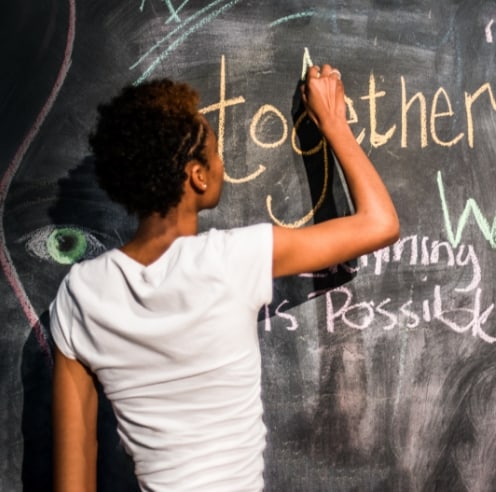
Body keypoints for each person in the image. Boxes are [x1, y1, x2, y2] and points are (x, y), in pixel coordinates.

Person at [50, 63, 399, 492]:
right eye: (215, 152)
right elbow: (379, 223)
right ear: (197, 176)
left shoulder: (80, 296)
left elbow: (74, 471)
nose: (222, 161)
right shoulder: (231, 258)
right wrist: (333, 122)